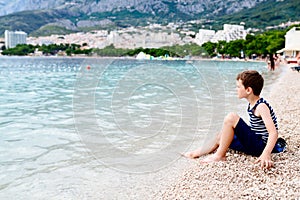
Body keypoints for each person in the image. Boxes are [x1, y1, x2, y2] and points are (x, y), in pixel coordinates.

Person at [184, 70, 286, 169]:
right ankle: (195, 153)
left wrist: (266, 154)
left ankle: (220, 156)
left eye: (238, 87)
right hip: (254, 142)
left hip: (260, 146)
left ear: (248, 90)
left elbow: (273, 132)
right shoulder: (252, 104)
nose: (236, 89)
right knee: (221, 136)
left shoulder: (261, 106)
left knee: (231, 117)